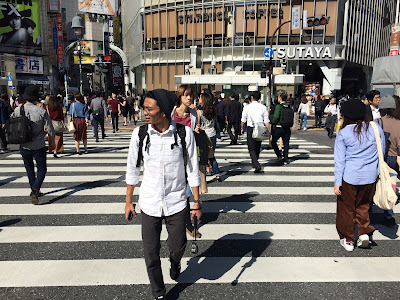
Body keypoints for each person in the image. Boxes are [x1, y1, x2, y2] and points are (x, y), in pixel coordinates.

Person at [125, 89, 201, 300]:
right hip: (149, 202)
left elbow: (193, 171)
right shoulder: (140, 134)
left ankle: (175, 262)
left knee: (177, 247)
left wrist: (196, 203)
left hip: (177, 202)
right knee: (151, 253)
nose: (145, 113)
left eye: (149, 109)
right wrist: (128, 201)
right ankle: (158, 292)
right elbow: (132, 169)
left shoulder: (184, 134)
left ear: (164, 112)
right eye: (144, 108)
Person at [334, 99, 383, 252]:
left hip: (350, 175)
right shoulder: (375, 128)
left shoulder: (343, 133)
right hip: (370, 175)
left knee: (346, 208)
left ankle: (348, 238)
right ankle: (364, 233)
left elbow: (339, 160)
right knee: (363, 205)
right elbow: (382, 150)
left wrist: (337, 182)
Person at [13, 85, 55, 204]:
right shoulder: (41, 111)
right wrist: (52, 142)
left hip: (24, 144)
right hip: (38, 144)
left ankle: (34, 188)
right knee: (42, 169)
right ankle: (35, 190)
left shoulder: (17, 110)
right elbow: (50, 128)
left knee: (29, 168)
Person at [378, 95, 399, 226]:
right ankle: (388, 213)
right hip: (396, 157)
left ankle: (372, 208)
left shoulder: (377, 122)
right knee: (391, 185)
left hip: (381, 158)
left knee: (380, 184)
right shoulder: (399, 123)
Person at [240, 91, 270, 173]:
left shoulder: (247, 107)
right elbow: (266, 121)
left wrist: (242, 128)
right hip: (260, 128)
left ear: (252, 97)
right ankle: (255, 162)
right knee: (257, 146)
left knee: (251, 147)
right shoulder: (263, 107)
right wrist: (268, 131)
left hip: (251, 128)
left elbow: (243, 120)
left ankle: (256, 164)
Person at [198, 92, 222, 182]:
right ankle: (217, 174)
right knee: (211, 156)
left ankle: (203, 176)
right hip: (212, 134)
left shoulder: (199, 111)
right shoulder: (213, 110)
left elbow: (198, 124)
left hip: (204, 136)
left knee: (203, 157)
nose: (199, 99)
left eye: (200, 98)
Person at [271, 93, 292, 165]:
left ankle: (279, 155)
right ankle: (286, 159)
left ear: (280, 98)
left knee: (273, 142)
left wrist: (273, 123)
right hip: (287, 128)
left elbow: (276, 117)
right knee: (286, 144)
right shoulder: (289, 106)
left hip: (279, 127)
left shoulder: (278, 106)